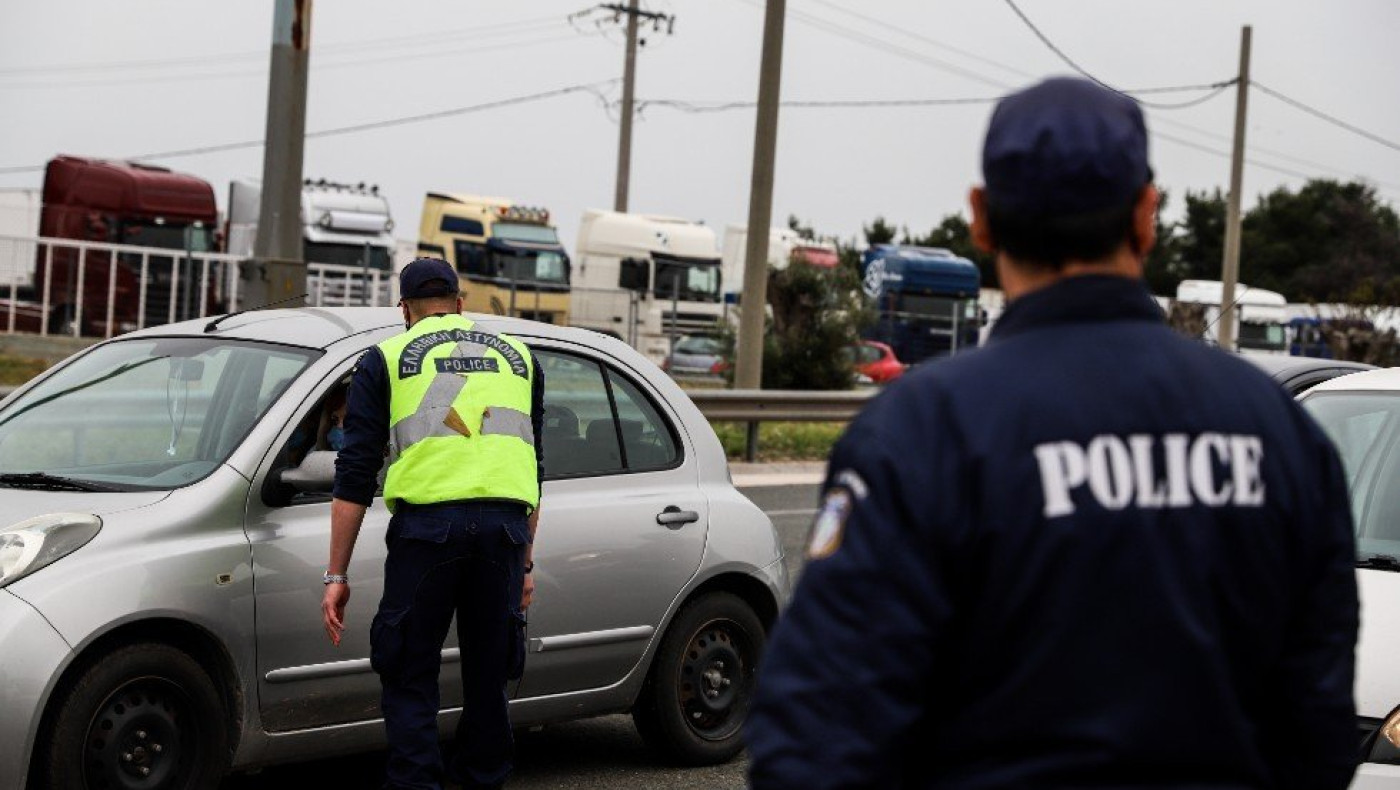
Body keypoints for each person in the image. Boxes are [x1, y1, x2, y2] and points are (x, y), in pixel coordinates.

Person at [745, 77, 1359, 789]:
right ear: (1146, 215)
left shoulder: (920, 434)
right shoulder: (1282, 431)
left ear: (980, 218)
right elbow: (1318, 732)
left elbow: (816, 741)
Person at [321, 257, 544, 790]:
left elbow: (354, 474)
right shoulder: (520, 357)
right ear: (461, 304)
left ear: (405, 309)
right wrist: (527, 563)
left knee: (408, 671)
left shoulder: (387, 359)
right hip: (506, 532)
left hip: (427, 533)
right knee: (490, 677)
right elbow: (534, 470)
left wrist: (336, 576)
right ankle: (483, 778)